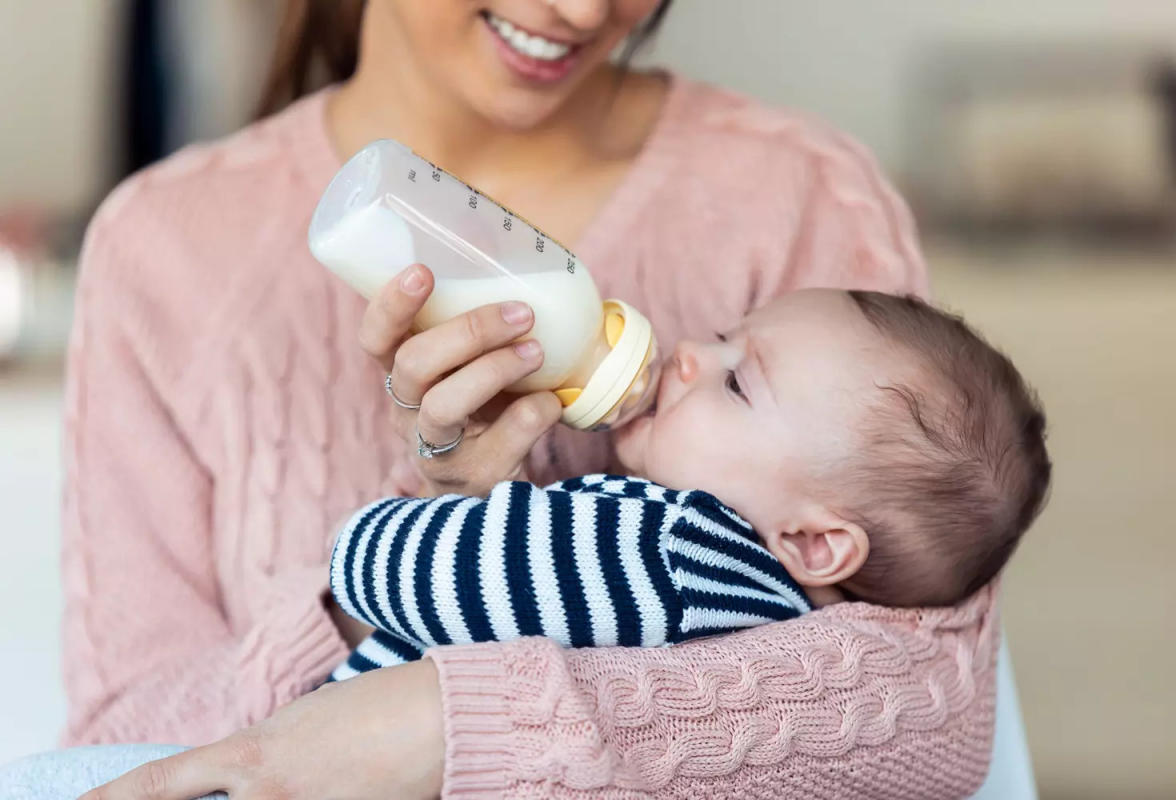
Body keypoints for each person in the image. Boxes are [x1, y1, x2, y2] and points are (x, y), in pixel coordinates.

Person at [16, 0, 1003, 797]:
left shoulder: (802, 197)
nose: (579, 11)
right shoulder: (161, 244)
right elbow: (123, 750)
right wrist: (404, 552)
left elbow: (933, 707)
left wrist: (453, 723)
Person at [325, 289, 1050, 679]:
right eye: (723, 333)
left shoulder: (669, 550)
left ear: (815, 542)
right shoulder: (751, 609)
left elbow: (392, 572)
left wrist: (370, 536)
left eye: (736, 382)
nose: (690, 353)